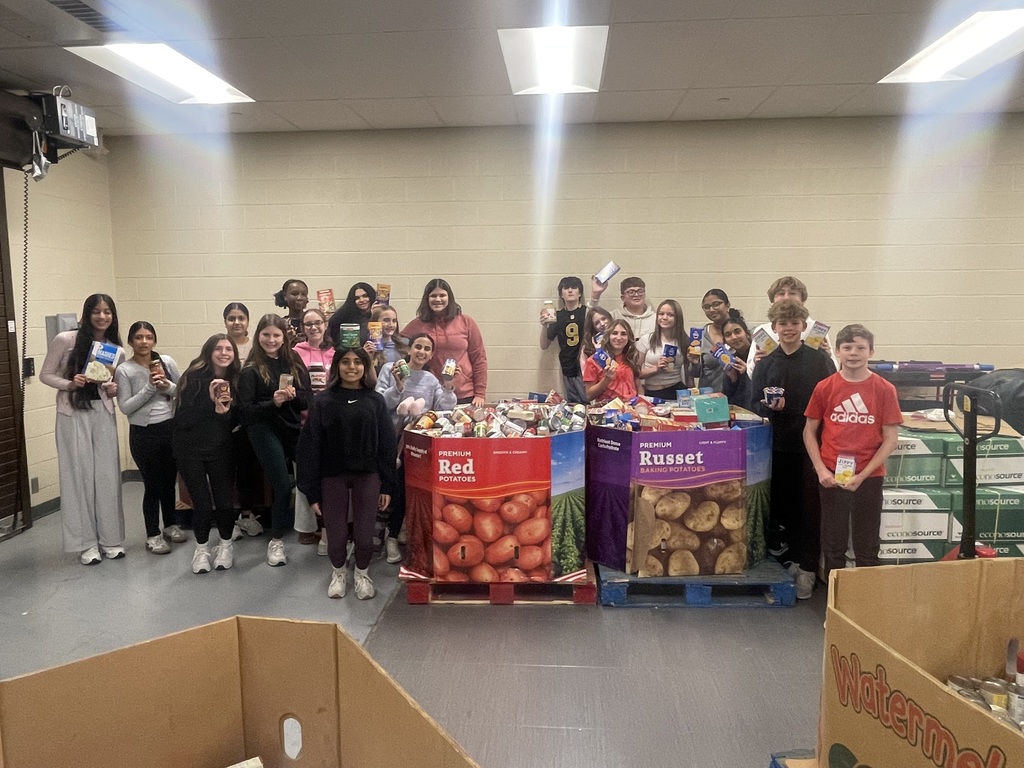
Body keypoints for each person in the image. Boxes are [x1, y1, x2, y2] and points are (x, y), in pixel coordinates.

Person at [749, 300, 836, 600]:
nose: (788, 328)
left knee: (808, 508)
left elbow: (831, 400)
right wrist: (767, 405)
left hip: (811, 446)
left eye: (794, 323)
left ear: (803, 326)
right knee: (780, 507)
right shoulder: (765, 363)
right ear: (774, 328)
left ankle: (807, 568)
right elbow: (752, 404)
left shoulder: (819, 361)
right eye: (783, 323)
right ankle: (784, 563)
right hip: (775, 446)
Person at [297, 347, 398, 600]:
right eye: (345, 362)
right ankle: (339, 572)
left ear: (365, 367)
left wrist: (387, 484)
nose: (351, 367)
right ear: (337, 367)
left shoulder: (375, 401)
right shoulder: (322, 402)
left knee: (365, 537)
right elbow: (310, 447)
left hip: (368, 475)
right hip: (332, 476)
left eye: (357, 362)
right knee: (336, 536)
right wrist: (311, 492)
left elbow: (386, 444)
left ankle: (362, 573)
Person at [803, 324, 901, 580]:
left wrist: (863, 474)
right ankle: (834, 606)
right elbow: (809, 432)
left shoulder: (884, 389)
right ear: (837, 351)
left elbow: (890, 439)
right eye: (847, 347)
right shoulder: (825, 387)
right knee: (833, 544)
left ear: (871, 351)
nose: (854, 353)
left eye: (860, 347)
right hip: (832, 476)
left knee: (867, 545)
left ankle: (864, 602)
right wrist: (821, 469)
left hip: (869, 476)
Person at [39, 293, 125, 565]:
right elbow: (45, 374)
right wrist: (69, 383)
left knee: (107, 477)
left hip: (102, 414)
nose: (102, 317)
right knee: (78, 477)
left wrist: (113, 389)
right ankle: (86, 544)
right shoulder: (66, 340)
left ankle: (111, 540)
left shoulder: (114, 348)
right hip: (72, 413)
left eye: (107, 312)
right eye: (97, 312)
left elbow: (112, 385)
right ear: (87, 314)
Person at [375, 332, 458, 563]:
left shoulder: (431, 380)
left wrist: (449, 386)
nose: (421, 352)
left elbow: (444, 408)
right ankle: (384, 535)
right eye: (418, 346)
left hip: (417, 445)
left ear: (431, 354)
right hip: (389, 440)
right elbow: (379, 402)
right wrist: (398, 386)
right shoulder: (390, 369)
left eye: (426, 349)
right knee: (389, 487)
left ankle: (398, 533)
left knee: (407, 489)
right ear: (409, 349)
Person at [237, 314, 311, 567]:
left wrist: (293, 397)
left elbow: (306, 398)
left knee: (308, 478)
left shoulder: (293, 360)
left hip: (291, 427)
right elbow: (245, 411)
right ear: (258, 336)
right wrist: (274, 402)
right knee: (281, 485)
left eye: (276, 335)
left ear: (284, 337)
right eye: (266, 334)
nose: (271, 340)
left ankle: (315, 531)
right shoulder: (251, 369)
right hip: (263, 429)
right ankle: (276, 541)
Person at [114, 322, 185, 554]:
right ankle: (152, 534)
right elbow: (125, 407)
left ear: (154, 340)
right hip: (143, 433)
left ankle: (171, 524)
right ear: (131, 341)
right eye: (138, 337)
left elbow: (183, 391)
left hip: (170, 429)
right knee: (152, 484)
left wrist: (167, 386)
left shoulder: (166, 362)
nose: (144, 342)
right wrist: (149, 388)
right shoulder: (125, 370)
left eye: (148, 337)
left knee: (169, 481)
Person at [174, 334, 241, 574]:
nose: (224, 353)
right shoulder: (193, 377)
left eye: (229, 349)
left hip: (222, 449)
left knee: (224, 502)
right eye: (218, 348)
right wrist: (209, 401)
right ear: (208, 352)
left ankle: (225, 545)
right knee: (201, 504)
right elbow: (182, 419)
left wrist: (224, 411)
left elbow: (237, 420)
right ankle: (201, 549)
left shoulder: (237, 380)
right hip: (189, 449)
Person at [401, 278, 487, 406]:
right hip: (432, 394)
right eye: (433, 296)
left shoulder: (466, 322)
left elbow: (479, 358)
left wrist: (480, 393)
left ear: (449, 297)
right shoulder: (417, 324)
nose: (438, 299)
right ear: (427, 299)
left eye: (442, 295)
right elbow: (397, 344)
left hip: (465, 393)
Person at [291, 308, 335, 547]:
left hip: (330, 422)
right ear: (302, 327)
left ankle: (330, 525)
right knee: (305, 475)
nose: (313, 327)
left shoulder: (335, 351)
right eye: (308, 324)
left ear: (325, 324)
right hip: (304, 421)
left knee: (329, 476)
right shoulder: (295, 353)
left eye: (318, 322)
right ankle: (306, 527)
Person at [746, 276, 835, 376]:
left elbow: (833, 371)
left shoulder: (816, 329)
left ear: (803, 299)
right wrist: (756, 362)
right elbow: (750, 373)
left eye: (792, 293)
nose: (786, 297)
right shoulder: (762, 331)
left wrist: (827, 355)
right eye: (781, 293)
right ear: (772, 300)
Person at [539, 276, 587, 403]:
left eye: (574, 288)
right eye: (566, 288)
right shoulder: (556, 316)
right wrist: (544, 326)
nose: (570, 291)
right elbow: (544, 345)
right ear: (561, 294)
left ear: (580, 292)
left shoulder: (586, 312)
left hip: (586, 365)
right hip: (567, 365)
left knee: (588, 400)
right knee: (574, 403)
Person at [688, 289, 745, 393]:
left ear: (727, 305)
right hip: (709, 397)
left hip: (739, 395)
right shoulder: (700, 335)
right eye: (706, 307)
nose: (712, 309)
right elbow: (696, 373)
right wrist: (695, 363)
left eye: (716, 304)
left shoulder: (743, 332)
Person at [636, 299, 693, 400]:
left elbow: (689, 374)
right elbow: (636, 373)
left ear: (678, 318)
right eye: (661, 314)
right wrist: (655, 369)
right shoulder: (646, 340)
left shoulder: (684, 340)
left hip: (677, 391)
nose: (664, 318)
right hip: (652, 392)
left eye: (670, 315)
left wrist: (693, 393)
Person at [583, 319, 641, 402]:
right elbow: (589, 396)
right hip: (608, 411)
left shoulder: (630, 357)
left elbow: (637, 385)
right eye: (614, 333)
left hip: (631, 409)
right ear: (608, 336)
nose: (619, 337)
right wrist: (606, 379)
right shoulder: (594, 360)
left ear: (629, 338)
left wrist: (642, 403)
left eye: (623, 334)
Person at [587, 275, 656, 339]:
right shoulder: (613, 317)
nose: (636, 295)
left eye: (640, 291)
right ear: (623, 298)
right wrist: (595, 295)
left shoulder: (655, 319)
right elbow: (589, 321)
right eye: (631, 292)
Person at [327, 282, 376, 348]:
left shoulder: (380, 313)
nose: (361, 300)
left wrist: (376, 314)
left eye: (365, 296)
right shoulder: (346, 318)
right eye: (357, 298)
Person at [720, 316, 753, 408]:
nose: (734, 337)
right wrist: (732, 380)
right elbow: (727, 397)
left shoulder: (759, 356)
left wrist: (749, 372)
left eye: (737, 332)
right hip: (738, 413)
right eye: (728, 335)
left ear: (747, 333)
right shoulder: (732, 360)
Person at [370, 304, 408, 373]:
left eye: (394, 321)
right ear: (376, 323)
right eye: (386, 320)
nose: (391, 325)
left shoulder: (405, 345)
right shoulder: (370, 348)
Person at [581, 307, 613, 371]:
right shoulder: (588, 347)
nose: (602, 324)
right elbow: (586, 373)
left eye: (603, 319)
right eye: (597, 323)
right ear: (593, 327)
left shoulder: (620, 339)